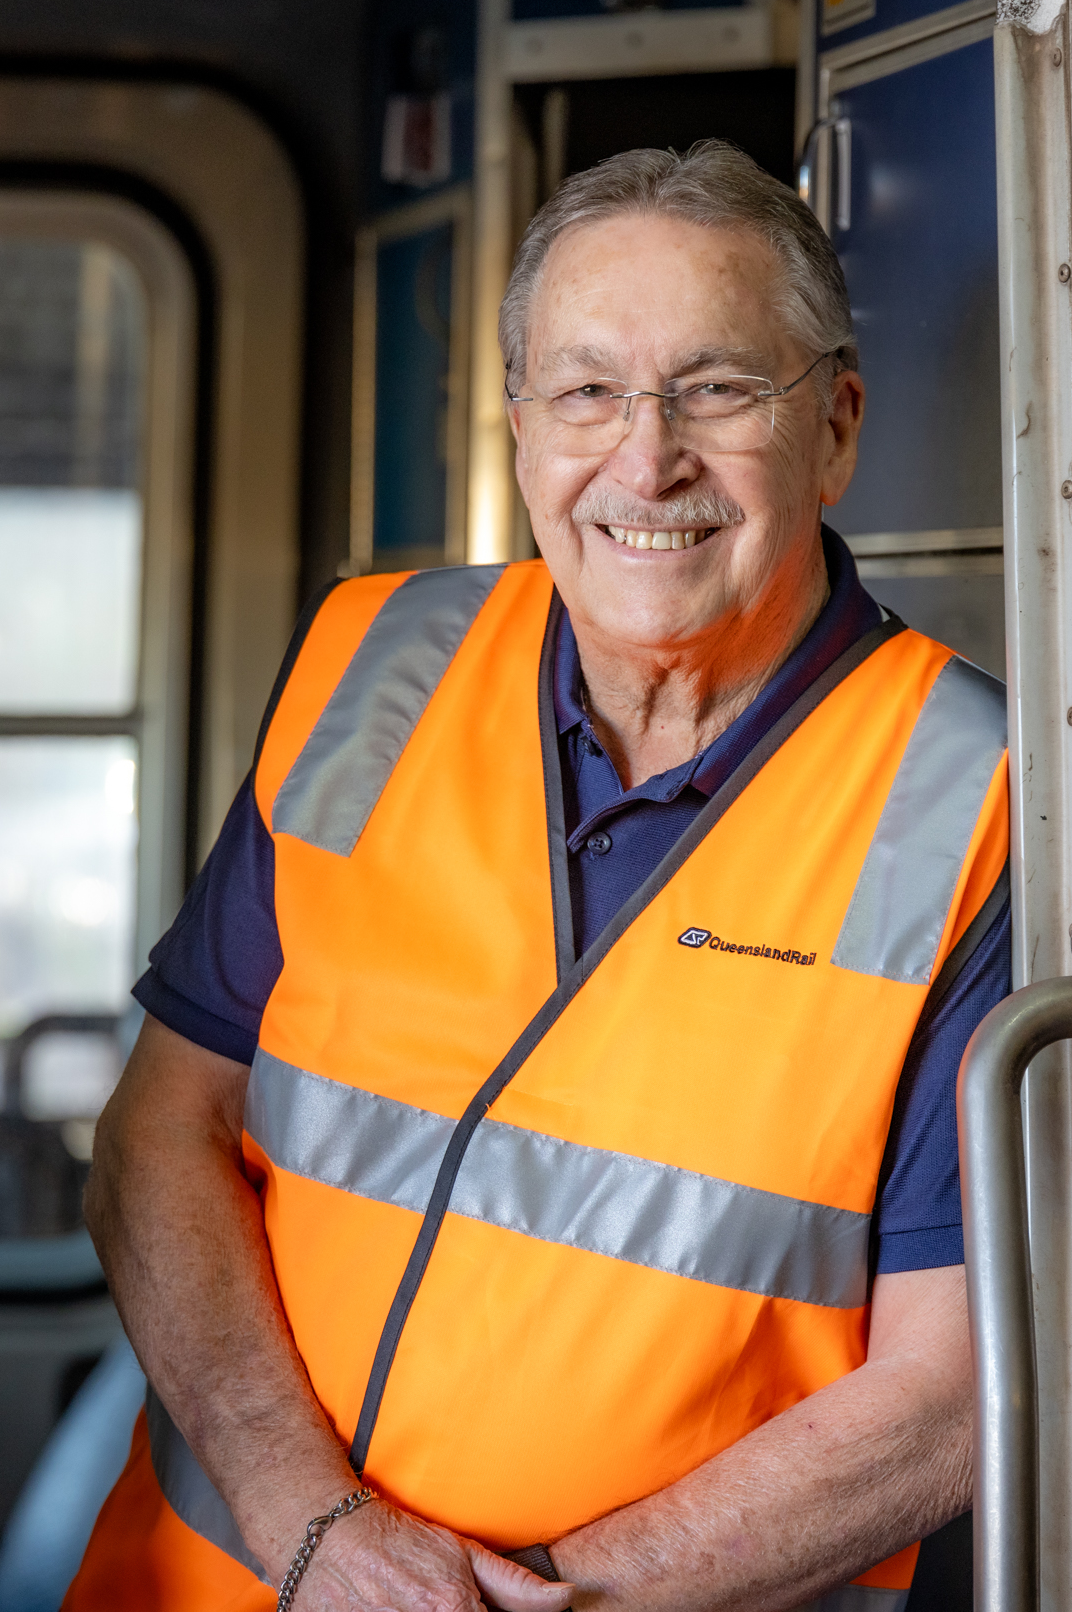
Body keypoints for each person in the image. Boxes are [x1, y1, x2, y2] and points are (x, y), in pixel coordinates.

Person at [65, 141, 1010, 1612]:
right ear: (517, 427)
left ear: (833, 427)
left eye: (715, 387)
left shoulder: (979, 803)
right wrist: (311, 1528)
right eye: (584, 391)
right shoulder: (370, 666)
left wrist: (537, 1603)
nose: (647, 459)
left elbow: (944, 1396)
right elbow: (157, 1135)